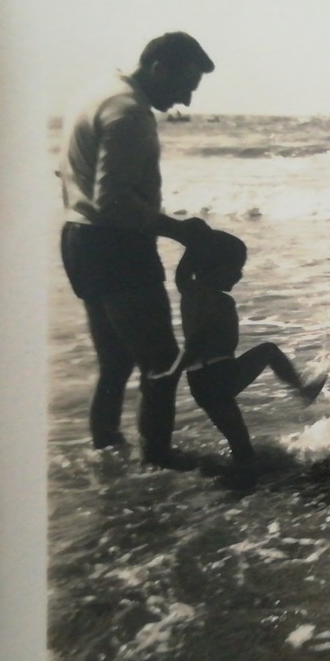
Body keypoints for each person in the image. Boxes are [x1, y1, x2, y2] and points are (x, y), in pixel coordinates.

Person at [57, 32, 215, 470]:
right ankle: (159, 462)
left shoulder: (97, 92)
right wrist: (178, 229)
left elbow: (67, 172)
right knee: (161, 364)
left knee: (115, 361)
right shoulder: (129, 112)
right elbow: (115, 202)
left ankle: (106, 451)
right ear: (158, 66)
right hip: (115, 246)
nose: (185, 99)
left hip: (79, 237)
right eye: (184, 85)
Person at [175, 229, 326, 476]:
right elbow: (198, 339)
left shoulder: (187, 290)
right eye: (233, 268)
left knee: (240, 444)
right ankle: (302, 390)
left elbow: (181, 272)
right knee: (268, 350)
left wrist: (194, 241)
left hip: (198, 382)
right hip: (221, 373)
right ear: (211, 269)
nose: (239, 274)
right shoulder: (221, 302)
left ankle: (229, 479)